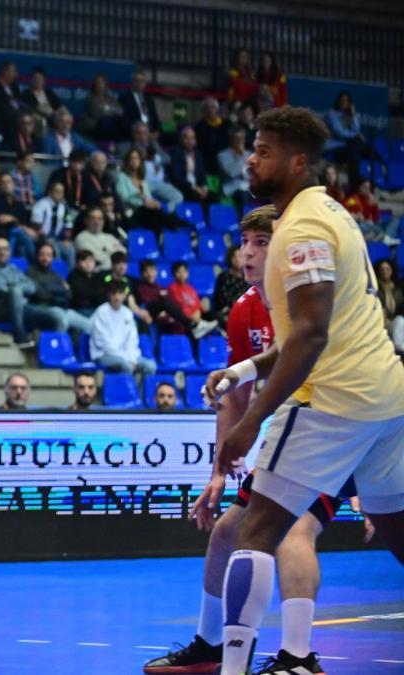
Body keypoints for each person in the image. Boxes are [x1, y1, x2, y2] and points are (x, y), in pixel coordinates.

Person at [202, 107, 404, 675]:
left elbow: (310, 337)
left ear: (297, 162)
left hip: (332, 401)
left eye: (263, 151)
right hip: (387, 399)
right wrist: (245, 371)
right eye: (252, 148)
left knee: (255, 529)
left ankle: (239, 667)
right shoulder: (333, 213)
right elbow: (311, 329)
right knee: (399, 532)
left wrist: (249, 422)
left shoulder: (302, 229)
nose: (250, 159)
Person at [146, 205, 349, 674]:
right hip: (291, 436)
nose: (249, 253)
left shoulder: (309, 300)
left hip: (335, 428)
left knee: (295, 531)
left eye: (262, 243)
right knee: (226, 533)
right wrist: (218, 473)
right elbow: (235, 398)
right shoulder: (244, 310)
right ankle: (211, 646)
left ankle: (299, 658)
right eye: (244, 243)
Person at [0, 237, 38, 348]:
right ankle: (19, 335)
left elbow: (32, 286)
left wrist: (14, 287)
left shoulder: (13, 269)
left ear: (9, 252)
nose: (2, 252)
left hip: (20, 307)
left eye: (5, 249)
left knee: (55, 316)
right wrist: (17, 288)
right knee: (15, 292)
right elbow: (0, 290)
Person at [90, 281, 156, 375]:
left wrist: (131, 358)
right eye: (114, 293)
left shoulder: (127, 313)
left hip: (127, 355)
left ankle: (140, 386)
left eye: (120, 293)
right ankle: (125, 385)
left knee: (150, 366)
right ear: (109, 295)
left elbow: (132, 340)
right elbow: (102, 343)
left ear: (124, 295)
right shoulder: (101, 312)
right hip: (103, 354)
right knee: (127, 367)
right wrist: (127, 359)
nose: (117, 297)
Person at [27, 242, 92, 335]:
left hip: (62, 309)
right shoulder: (30, 273)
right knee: (62, 319)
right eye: (42, 254)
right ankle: (56, 344)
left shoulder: (54, 275)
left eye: (49, 255)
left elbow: (68, 294)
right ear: (37, 256)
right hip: (42, 308)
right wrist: (59, 290)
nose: (45, 258)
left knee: (90, 326)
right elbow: (40, 295)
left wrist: (49, 288)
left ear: (52, 258)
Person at [169, 126, 213, 207]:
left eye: (192, 138)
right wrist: (194, 187)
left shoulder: (198, 154)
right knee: (194, 195)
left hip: (197, 188)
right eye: (186, 138)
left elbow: (202, 174)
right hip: (183, 187)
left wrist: (204, 188)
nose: (190, 141)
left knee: (213, 197)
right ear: (181, 140)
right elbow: (177, 177)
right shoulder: (175, 153)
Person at [31, 181, 74, 262]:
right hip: (42, 238)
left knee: (70, 249)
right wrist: (44, 238)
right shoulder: (41, 204)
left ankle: (70, 270)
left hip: (57, 239)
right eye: (57, 191)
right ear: (50, 192)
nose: (59, 194)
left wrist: (66, 239)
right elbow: (36, 225)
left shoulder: (64, 207)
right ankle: (56, 269)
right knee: (54, 248)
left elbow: (68, 225)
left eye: (61, 192)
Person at [73, 206, 124, 272]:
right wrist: (112, 251)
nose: (96, 222)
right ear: (86, 221)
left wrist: (106, 252)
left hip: (114, 273)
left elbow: (123, 253)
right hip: (96, 273)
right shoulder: (81, 238)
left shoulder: (110, 237)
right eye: (93, 218)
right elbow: (96, 258)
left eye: (100, 219)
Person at [168, 261, 211, 333]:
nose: (182, 274)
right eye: (178, 272)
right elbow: (180, 305)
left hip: (196, 315)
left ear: (187, 273)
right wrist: (191, 315)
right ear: (174, 274)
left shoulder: (190, 288)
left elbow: (197, 303)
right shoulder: (172, 288)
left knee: (213, 315)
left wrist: (198, 311)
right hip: (186, 318)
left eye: (184, 271)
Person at [80, 73, 124, 141]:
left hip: (110, 127)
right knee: (105, 121)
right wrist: (111, 109)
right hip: (94, 126)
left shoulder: (111, 98)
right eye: (97, 83)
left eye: (102, 83)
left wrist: (106, 108)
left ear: (106, 85)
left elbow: (120, 111)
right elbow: (97, 113)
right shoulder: (90, 98)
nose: (99, 85)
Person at [120, 69, 161, 136]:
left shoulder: (149, 99)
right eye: (136, 80)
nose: (139, 83)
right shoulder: (125, 98)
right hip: (136, 134)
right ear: (132, 82)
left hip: (151, 133)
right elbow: (125, 122)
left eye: (142, 81)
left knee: (172, 128)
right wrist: (143, 133)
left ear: (145, 83)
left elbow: (155, 118)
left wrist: (157, 132)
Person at [218, 127, 250, 211]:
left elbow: (253, 173)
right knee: (243, 195)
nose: (240, 141)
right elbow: (231, 173)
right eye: (237, 138)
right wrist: (241, 155)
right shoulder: (223, 155)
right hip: (233, 188)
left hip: (249, 187)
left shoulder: (249, 154)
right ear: (231, 140)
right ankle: (245, 218)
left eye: (242, 138)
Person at [68, 250, 107, 316]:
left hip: (97, 308)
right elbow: (83, 294)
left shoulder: (97, 276)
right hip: (81, 309)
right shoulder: (73, 276)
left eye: (91, 260)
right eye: (84, 260)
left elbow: (104, 293)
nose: (88, 263)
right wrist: (97, 294)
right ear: (77, 263)